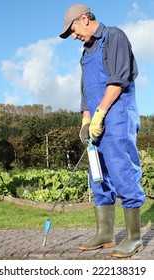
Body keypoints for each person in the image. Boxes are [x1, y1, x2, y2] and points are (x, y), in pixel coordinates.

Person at [59, 4, 146, 258]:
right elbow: (86, 93)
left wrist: (100, 114)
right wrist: (86, 121)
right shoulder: (85, 53)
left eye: (73, 29)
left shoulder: (114, 36)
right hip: (95, 121)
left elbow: (118, 79)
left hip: (117, 117)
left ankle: (134, 238)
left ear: (84, 19)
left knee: (122, 171)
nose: (73, 36)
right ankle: (105, 234)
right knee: (98, 175)